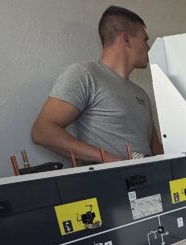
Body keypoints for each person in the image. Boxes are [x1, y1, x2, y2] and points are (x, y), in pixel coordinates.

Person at [31, 5, 162, 164]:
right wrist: (110, 159)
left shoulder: (141, 94)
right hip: (109, 178)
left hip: (150, 176)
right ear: (126, 39)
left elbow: (156, 150)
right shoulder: (84, 75)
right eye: (145, 40)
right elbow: (42, 131)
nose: (148, 48)